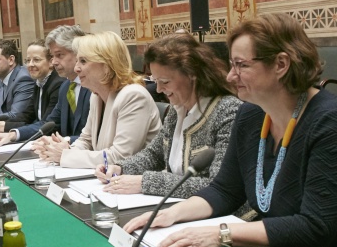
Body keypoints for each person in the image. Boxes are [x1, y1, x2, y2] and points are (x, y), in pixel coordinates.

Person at [124, 13, 337, 247]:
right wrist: (169, 214)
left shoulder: (328, 121)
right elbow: (225, 190)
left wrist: (221, 234)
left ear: (281, 64)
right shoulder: (251, 115)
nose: (229, 76)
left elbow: (316, 226)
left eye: (241, 65)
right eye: (231, 64)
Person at [95, 32, 244, 204]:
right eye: (155, 81)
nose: (158, 90)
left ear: (192, 74)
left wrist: (145, 182)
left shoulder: (227, 111)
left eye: (165, 82)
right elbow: (154, 154)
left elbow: (218, 187)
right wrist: (120, 168)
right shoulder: (176, 109)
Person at [35, 31, 161, 168]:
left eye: (83, 61)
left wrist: (65, 156)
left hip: (132, 183)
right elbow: (86, 140)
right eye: (77, 61)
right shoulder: (96, 96)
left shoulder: (134, 96)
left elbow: (121, 157)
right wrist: (63, 151)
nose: (76, 68)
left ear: (107, 65)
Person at [0, 25, 90, 148]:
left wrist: (65, 141)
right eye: (53, 56)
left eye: (59, 55)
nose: (54, 62)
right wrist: (14, 134)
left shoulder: (92, 87)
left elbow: (95, 137)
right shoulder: (66, 86)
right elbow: (49, 123)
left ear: (77, 54)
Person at [0, 40, 63, 133]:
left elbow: (46, 124)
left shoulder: (57, 84)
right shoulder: (39, 83)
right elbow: (26, 116)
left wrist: (8, 129)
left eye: (36, 60)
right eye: (28, 60)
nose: (30, 65)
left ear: (51, 62)